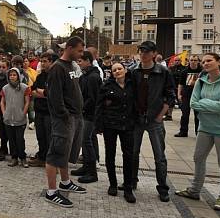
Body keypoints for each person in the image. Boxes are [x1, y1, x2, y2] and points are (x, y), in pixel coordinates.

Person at [175, 53, 220, 211]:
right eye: (203, 62)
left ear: (219, 62)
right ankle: (195, 190)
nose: (205, 63)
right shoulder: (201, 81)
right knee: (198, 158)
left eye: (209, 60)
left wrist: (204, 103)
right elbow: (193, 103)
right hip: (205, 126)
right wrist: (212, 105)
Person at [128, 40, 175, 202]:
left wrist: (161, 114)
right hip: (136, 118)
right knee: (132, 152)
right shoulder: (133, 71)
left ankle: (162, 187)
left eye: (147, 51)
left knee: (159, 155)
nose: (143, 54)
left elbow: (170, 95)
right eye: (141, 51)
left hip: (155, 119)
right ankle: (132, 181)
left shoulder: (163, 72)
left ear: (154, 54)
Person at [43, 37, 87, 208]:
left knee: (66, 152)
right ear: (69, 48)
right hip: (64, 119)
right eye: (79, 51)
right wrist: (65, 115)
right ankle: (51, 192)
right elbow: (54, 97)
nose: (81, 54)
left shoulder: (72, 66)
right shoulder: (57, 68)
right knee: (56, 154)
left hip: (75, 116)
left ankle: (65, 182)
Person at [96, 62, 136, 202]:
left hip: (128, 125)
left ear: (125, 70)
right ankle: (112, 184)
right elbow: (99, 106)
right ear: (111, 73)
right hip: (110, 125)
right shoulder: (107, 86)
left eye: (120, 69)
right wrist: (98, 126)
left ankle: (128, 188)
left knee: (129, 156)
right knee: (110, 154)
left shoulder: (132, 84)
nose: (117, 71)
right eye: (114, 70)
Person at [73, 51, 101, 183]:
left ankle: (92, 172)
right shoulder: (85, 75)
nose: (79, 64)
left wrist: (82, 108)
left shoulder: (93, 77)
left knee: (87, 141)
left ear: (88, 61)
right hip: (84, 113)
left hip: (89, 115)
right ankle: (85, 167)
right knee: (84, 141)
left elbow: (93, 98)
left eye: (80, 61)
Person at [1, 67, 31, 167]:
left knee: (20, 139)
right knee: (11, 139)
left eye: (14, 75)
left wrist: (23, 113)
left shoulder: (24, 87)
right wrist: (4, 113)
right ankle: (14, 157)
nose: (12, 77)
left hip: (20, 119)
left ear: (18, 76)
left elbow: (27, 102)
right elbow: (2, 102)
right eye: (10, 75)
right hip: (8, 118)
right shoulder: (5, 88)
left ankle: (22, 157)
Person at [28, 52, 54, 167]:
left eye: (45, 61)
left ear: (51, 62)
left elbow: (53, 94)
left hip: (49, 112)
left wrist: (41, 92)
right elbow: (32, 91)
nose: (42, 64)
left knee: (49, 137)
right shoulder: (40, 76)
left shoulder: (54, 76)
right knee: (40, 135)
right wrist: (42, 93)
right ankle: (42, 157)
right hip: (39, 110)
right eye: (41, 61)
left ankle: (50, 160)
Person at [174, 56, 202, 138]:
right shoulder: (184, 72)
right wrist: (179, 94)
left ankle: (198, 132)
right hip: (186, 95)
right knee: (185, 114)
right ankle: (183, 131)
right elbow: (180, 84)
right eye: (191, 60)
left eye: (195, 60)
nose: (193, 62)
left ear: (198, 61)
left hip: (198, 96)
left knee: (198, 115)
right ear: (189, 61)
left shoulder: (202, 71)